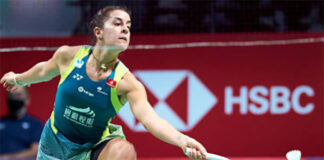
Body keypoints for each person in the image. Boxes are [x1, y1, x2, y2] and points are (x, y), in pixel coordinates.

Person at [1, 6, 209, 160]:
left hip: (90, 149)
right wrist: (18, 78)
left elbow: (150, 120)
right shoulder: (69, 56)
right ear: (98, 32)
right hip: (53, 145)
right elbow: (44, 71)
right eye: (118, 24)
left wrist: (183, 141)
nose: (125, 30)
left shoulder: (127, 83)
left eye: (128, 26)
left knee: (124, 151)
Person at [0, 87, 43, 158]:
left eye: (18, 95)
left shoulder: (35, 124)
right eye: (11, 96)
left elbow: (35, 151)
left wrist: (7, 157)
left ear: (27, 99)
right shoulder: (1, 121)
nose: (14, 99)